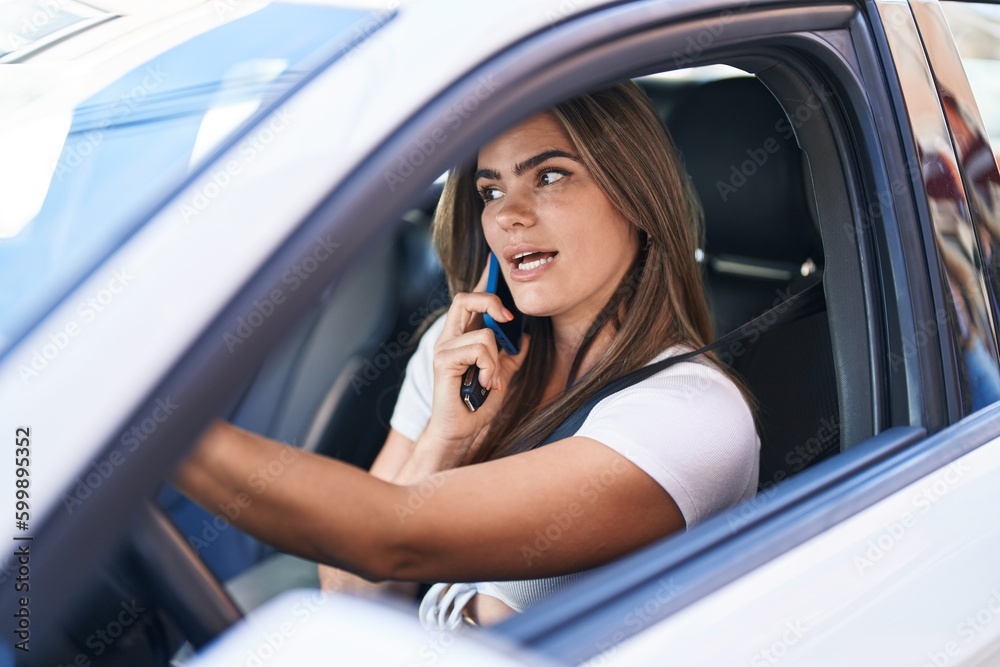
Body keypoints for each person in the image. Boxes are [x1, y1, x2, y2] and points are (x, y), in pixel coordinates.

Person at [174, 81, 760, 629]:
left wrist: (160, 428)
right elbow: (350, 591)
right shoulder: (459, 355)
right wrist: (445, 439)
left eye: (550, 176)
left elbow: (386, 539)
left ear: (637, 197)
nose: (507, 214)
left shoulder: (692, 416)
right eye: (491, 191)